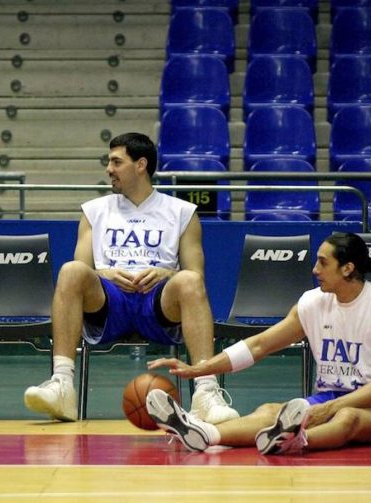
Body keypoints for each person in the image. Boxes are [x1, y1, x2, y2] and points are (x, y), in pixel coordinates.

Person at [23, 132, 239, 423]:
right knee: (70, 271)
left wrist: (167, 272)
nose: (109, 169)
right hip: (109, 301)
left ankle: (205, 392)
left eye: (116, 162)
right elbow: (82, 266)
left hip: (157, 302)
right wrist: (104, 273)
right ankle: (62, 384)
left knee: (189, 281)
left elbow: (195, 273)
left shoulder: (182, 212)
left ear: (140, 165)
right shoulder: (94, 210)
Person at [146, 232, 371, 454]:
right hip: (332, 395)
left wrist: (329, 409)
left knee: (348, 418)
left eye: (323, 262)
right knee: (270, 411)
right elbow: (258, 345)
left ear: (348, 268)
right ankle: (206, 434)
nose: (315, 269)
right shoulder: (313, 302)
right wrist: (201, 369)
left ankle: (294, 440)